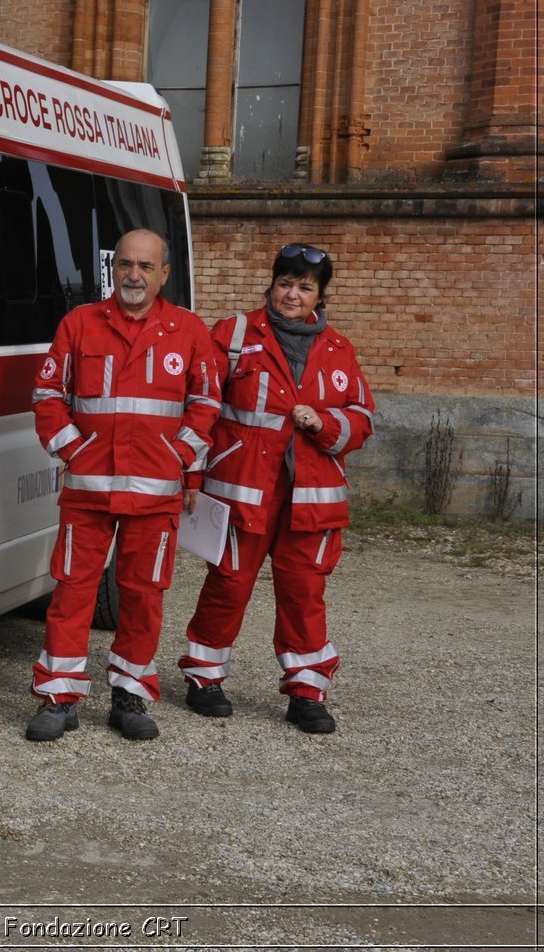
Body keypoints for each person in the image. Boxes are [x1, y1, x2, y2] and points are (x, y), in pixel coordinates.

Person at [27, 228, 219, 742]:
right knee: (72, 592)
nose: (134, 275)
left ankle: (129, 694)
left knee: (142, 597)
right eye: (126, 265)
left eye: (146, 266)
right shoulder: (80, 323)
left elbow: (206, 405)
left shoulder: (188, 331)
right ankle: (58, 697)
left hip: (154, 496)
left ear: (164, 274)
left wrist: (177, 458)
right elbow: (47, 394)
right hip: (88, 492)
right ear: (115, 269)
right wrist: (72, 450)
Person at [177, 244, 375, 734]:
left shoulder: (338, 349)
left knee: (304, 594)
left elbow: (363, 418)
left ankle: (307, 691)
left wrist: (325, 424)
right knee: (227, 586)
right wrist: (192, 478)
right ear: (271, 285)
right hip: (244, 490)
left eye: (305, 287)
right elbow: (199, 407)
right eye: (286, 283)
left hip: (310, 498)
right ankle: (204, 678)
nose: (292, 294)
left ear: (320, 296)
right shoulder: (233, 334)